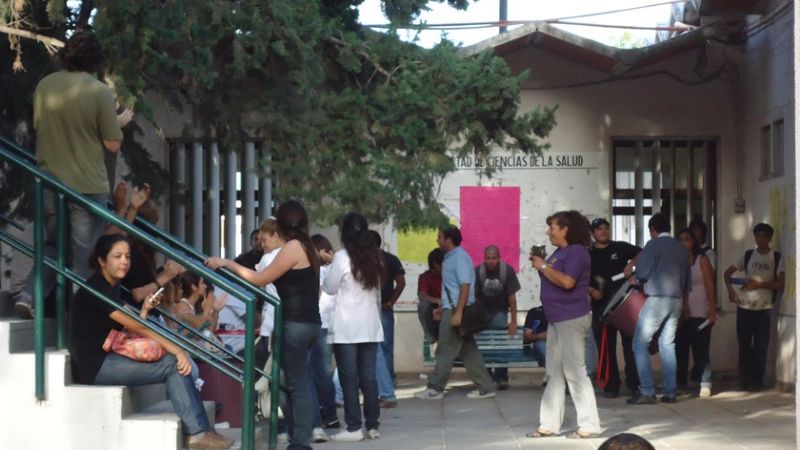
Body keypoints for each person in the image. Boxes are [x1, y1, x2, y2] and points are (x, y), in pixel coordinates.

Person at [68, 234, 232, 448]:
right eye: (117, 256)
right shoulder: (98, 288)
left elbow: (130, 324)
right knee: (174, 364)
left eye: (127, 256)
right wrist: (177, 350)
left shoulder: (111, 286)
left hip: (111, 354)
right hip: (96, 366)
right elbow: (138, 327)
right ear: (101, 260)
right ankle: (199, 433)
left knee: (175, 360)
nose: (124, 261)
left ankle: (201, 430)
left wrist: (144, 310)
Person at [15, 31, 134, 319]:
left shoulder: (45, 86)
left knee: (53, 246)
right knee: (85, 257)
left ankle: (29, 295)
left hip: (49, 181)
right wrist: (117, 122)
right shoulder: (98, 92)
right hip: (86, 184)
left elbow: (43, 125)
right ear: (95, 60)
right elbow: (112, 143)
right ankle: (80, 320)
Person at [206, 200, 321, 450]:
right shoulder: (307, 246)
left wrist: (228, 264)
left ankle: (301, 442)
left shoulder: (293, 247)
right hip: (309, 323)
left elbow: (260, 279)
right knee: (294, 382)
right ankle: (297, 437)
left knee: (296, 385)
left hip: (295, 324)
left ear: (279, 227)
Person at [527, 210, 600, 439]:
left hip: (571, 318)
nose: (549, 232)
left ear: (565, 230)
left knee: (575, 372)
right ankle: (549, 424)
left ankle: (589, 425)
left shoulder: (577, 252)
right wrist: (543, 266)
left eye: (553, 228)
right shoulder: (560, 252)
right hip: (557, 319)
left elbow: (568, 282)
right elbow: (554, 277)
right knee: (554, 373)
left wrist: (543, 267)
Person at [415, 226, 496, 401]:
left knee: (445, 349)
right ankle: (486, 387)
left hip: (456, 311)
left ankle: (435, 388)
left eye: (439, 237)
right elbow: (452, 288)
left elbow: (465, 285)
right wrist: (443, 307)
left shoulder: (459, 257)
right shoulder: (451, 258)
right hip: (452, 308)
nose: (437, 240)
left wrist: (457, 312)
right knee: (469, 351)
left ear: (448, 239)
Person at [322, 213, 384, 442]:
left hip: (346, 328)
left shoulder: (341, 257)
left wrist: (330, 266)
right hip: (369, 325)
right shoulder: (375, 257)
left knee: (349, 377)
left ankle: (354, 427)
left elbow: (329, 288)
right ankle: (373, 424)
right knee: (369, 376)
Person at [624, 213, 690, 405]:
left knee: (639, 343)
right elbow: (686, 278)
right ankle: (670, 392)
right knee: (668, 345)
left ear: (652, 229)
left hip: (658, 299)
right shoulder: (680, 247)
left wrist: (636, 279)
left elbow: (643, 272)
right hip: (676, 300)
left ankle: (647, 391)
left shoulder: (653, 245)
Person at [723, 222, 785, 392]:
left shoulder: (776, 258)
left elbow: (780, 284)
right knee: (744, 345)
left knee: (760, 346)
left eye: (764, 235)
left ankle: (757, 380)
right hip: (744, 306)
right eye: (758, 235)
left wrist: (760, 285)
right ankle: (745, 378)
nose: (761, 239)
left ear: (770, 238)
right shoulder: (748, 255)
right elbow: (727, 273)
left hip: (764, 308)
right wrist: (730, 292)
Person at [587, 218, 641, 398]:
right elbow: (579, 277)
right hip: (601, 308)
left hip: (624, 305)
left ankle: (634, 384)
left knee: (630, 346)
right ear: (593, 233)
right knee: (606, 348)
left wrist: (631, 265)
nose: (603, 231)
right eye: (599, 229)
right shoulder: (588, 253)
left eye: (606, 228)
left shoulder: (620, 247)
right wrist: (591, 290)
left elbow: (644, 252)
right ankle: (611, 385)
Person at [675, 228, 717, 398]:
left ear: (693, 242)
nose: (683, 243)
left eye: (687, 239)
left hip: (702, 310)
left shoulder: (702, 260)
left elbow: (709, 285)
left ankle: (705, 382)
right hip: (684, 312)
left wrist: (712, 309)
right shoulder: (679, 262)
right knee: (681, 348)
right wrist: (684, 306)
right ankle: (681, 382)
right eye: (680, 239)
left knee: (701, 349)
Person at [474, 245, 521, 390]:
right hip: (482, 311)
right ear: (484, 258)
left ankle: (501, 377)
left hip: (500, 310)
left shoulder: (507, 271)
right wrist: (474, 321)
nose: (491, 261)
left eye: (494, 258)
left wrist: (513, 321)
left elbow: (512, 297)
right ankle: (487, 377)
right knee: (483, 344)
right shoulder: (478, 271)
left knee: (500, 344)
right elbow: (473, 298)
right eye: (488, 258)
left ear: (499, 258)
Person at [307, 234, 338, 437]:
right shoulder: (333, 270)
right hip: (330, 325)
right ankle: (330, 414)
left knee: (312, 373)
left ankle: (320, 414)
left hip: (316, 324)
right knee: (324, 373)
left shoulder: (315, 271)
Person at [369, 230, 405, 385]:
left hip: (379, 309)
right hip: (379, 308)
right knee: (385, 347)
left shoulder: (388, 260)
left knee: (380, 347)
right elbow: (401, 282)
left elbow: (401, 282)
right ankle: (387, 382)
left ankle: (385, 381)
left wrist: (390, 302)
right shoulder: (388, 259)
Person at [417, 248, 444, 342]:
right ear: (436, 264)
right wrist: (438, 301)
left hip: (448, 308)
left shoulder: (450, 275)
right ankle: (430, 336)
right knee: (423, 306)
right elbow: (422, 296)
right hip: (433, 310)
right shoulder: (425, 277)